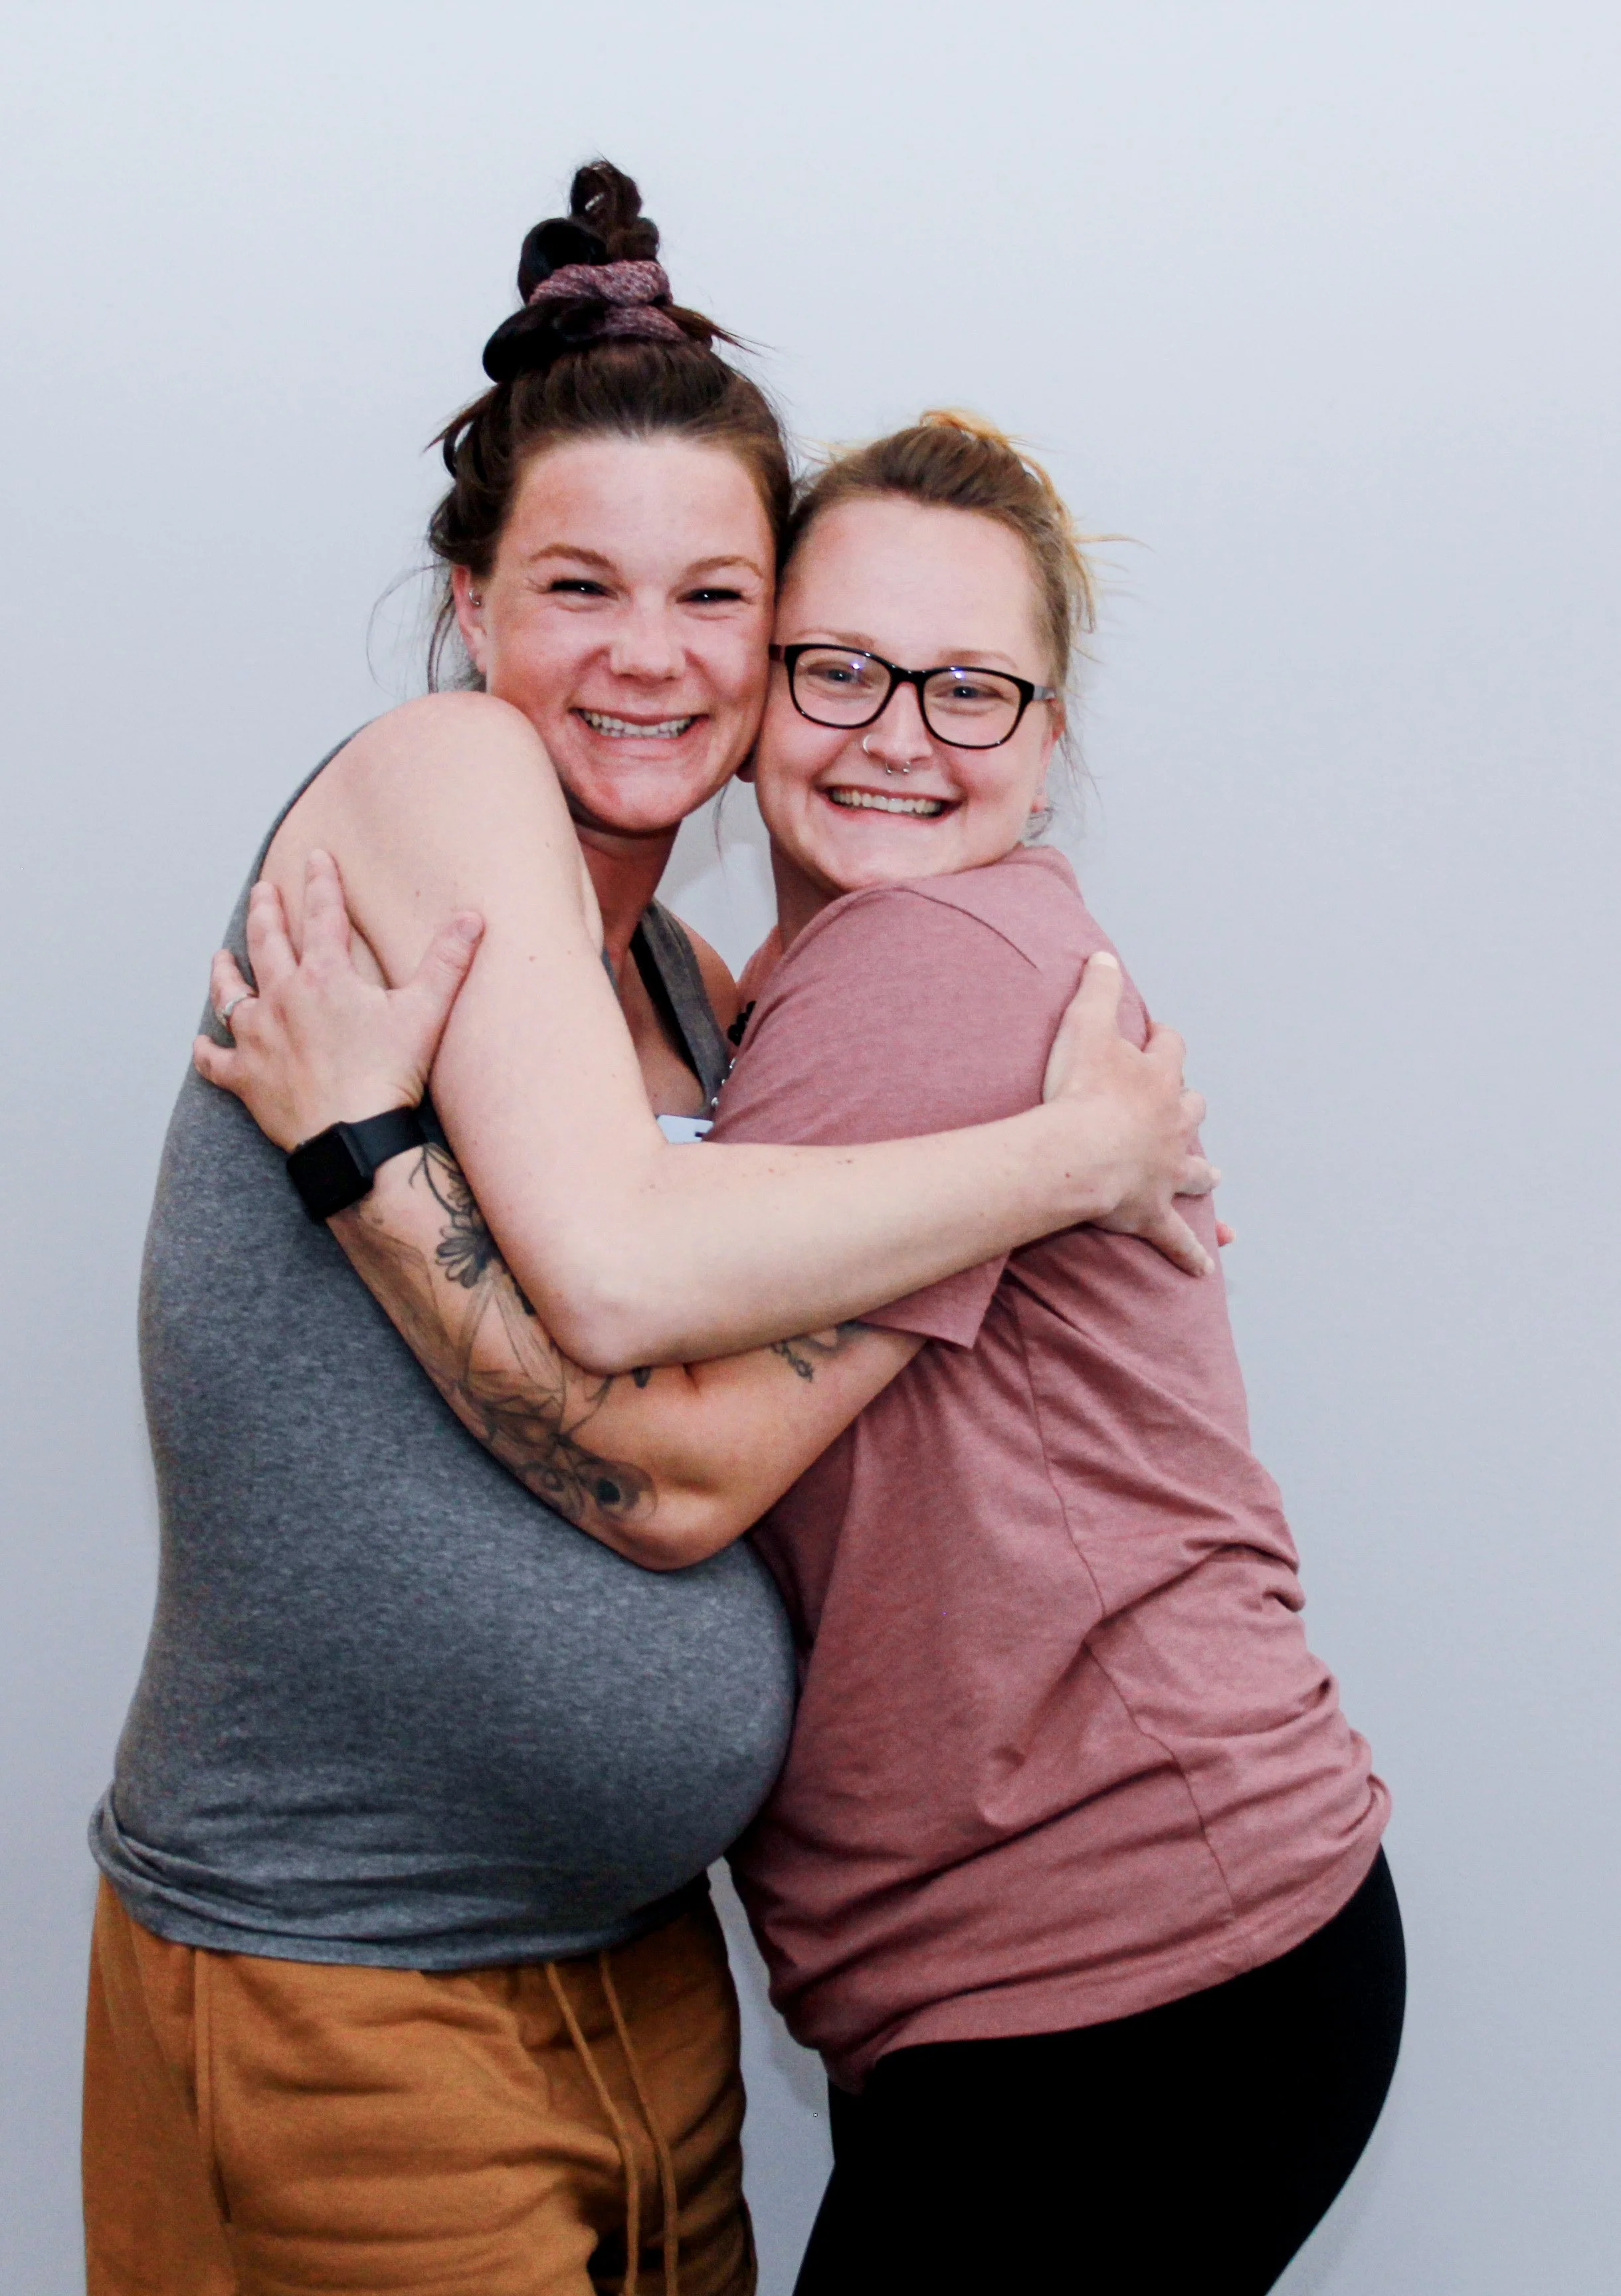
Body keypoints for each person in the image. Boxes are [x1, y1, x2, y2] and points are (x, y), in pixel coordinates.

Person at [85, 167, 1214, 2296]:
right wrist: (1073, 1163)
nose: (648, 658)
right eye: (578, 586)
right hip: (352, 1992)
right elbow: (610, 1281)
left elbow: (681, 1457)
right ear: (468, 608)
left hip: (646, 1987)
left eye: (717, 599)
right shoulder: (431, 772)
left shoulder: (697, 996)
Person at [203, 409, 1402, 2293]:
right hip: (1116, 1955)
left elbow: (673, 1456)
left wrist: (357, 1162)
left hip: (1118, 1962)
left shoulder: (918, 972)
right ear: (766, 688)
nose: (899, 735)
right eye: (840, 669)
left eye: (973, 692)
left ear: (1051, 738)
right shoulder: (754, 999)